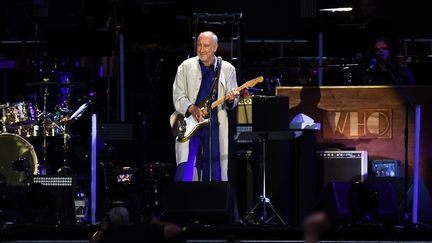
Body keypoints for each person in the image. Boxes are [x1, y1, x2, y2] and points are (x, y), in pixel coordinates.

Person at [171, 31, 239, 182]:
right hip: (190, 123)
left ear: (215, 47)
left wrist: (231, 99)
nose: (201, 49)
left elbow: (231, 102)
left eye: (206, 46)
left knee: (214, 169)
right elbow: (178, 95)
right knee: (186, 167)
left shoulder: (228, 69)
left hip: (213, 125)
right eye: (199, 45)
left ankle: (212, 203)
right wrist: (191, 107)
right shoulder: (185, 66)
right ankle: (186, 202)